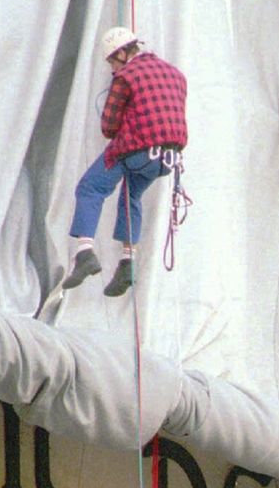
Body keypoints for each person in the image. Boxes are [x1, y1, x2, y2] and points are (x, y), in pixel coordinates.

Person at [61, 27, 188, 298]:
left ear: (121, 52)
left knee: (90, 187)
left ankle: (84, 253)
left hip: (138, 150)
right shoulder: (176, 75)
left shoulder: (125, 76)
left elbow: (108, 126)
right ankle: (127, 263)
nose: (111, 67)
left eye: (111, 61)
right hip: (167, 159)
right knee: (131, 197)